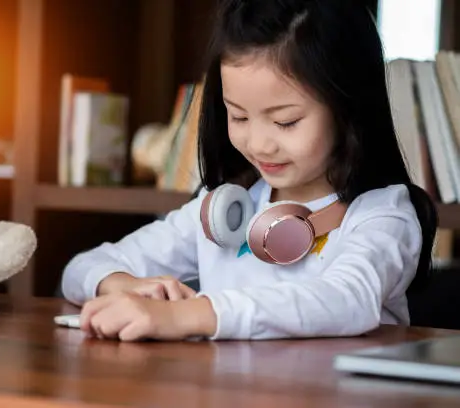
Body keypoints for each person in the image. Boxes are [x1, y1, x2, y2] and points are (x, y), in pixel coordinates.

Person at [61, 0, 438, 341]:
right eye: (238, 115)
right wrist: (124, 285)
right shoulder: (227, 209)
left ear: (348, 111)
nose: (259, 144)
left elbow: (347, 299)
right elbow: (81, 269)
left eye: (286, 122)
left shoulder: (383, 216)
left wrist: (190, 315)